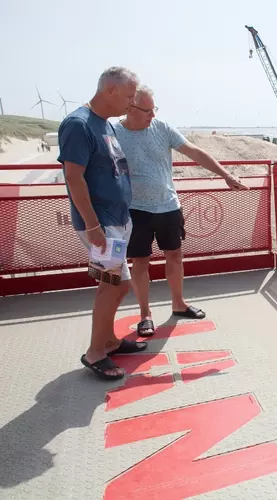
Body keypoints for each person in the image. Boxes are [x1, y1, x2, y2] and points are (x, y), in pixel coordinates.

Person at [113, 85, 247, 337]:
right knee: (140, 262)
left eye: (154, 109)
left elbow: (194, 152)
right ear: (130, 108)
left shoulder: (162, 127)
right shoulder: (115, 132)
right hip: (135, 209)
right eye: (147, 110)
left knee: (174, 255)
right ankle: (145, 314)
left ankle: (178, 304)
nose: (152, 115)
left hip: (168, 205)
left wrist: (225, 174)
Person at [58, 66, 147, 381]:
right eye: (129, 94)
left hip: (117, 220)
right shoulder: (78, 125)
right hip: (102, 224)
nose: (132, 102)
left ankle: (108, 340)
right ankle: (96, 352)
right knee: (115, 284)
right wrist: (94, 226)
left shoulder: (103, 124)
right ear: (111, 90)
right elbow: (73, 177)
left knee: (113, 283)